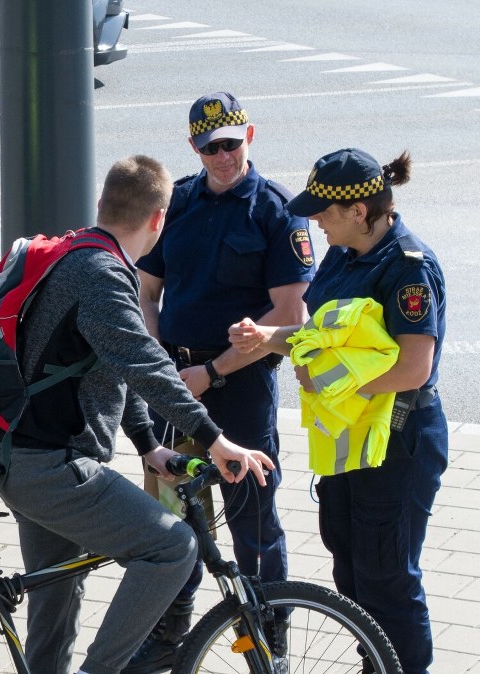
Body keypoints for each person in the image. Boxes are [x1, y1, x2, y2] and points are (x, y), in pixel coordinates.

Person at [0, 155, 274, 674]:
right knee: (172, 548)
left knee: (56, 601)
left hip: (22, 458)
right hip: (54, 470)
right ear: (158, 219)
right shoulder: (102, 274)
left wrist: (149, 446)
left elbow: (112, 362)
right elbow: (146, 365)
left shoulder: (76, 252)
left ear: (102, 203)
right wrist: (214, 439)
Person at [229, 148, 446, 674]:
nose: (317, 223)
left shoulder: (408, 269)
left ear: (359, 211)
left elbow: (414, 368)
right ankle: (378, 662)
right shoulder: (343, 254)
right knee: (351, 572)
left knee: (388, 578)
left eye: (324, 212)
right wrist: (266, 338)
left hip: (398, 438)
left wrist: (329, 384)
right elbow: (318, 336)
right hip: (353, 434)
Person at [125, 92, 314, 673]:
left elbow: (291, 315)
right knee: (170, 516)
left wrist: (211, 372)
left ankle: (267, 637)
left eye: (231, 143)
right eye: (211, 148)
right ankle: (168, 636)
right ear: (194, 148)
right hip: (175, 379)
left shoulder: (277, 211)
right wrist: (159, 360)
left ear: (249, 136)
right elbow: (146, 290)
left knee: (252, 517)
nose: (223, 156)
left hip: (241, 385)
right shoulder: (177, 201)